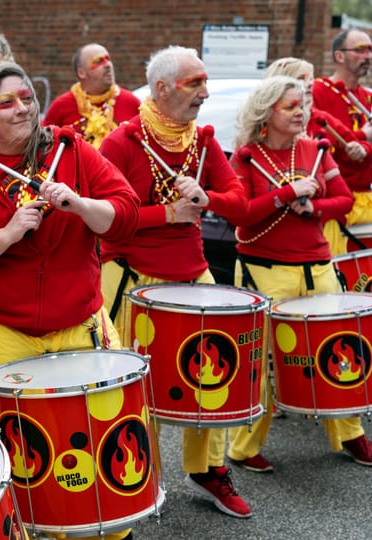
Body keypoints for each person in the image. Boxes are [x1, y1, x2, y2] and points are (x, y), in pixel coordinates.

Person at [98, 46, 252, 519]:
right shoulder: (121, 142)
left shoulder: (202, 141)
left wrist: (208, 196)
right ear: (162, 88)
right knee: (131, 388)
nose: (204, 93)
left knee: (211, 378)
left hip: (193, 277)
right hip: (130, 282)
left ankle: (209, 469)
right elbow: (102, 220)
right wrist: (168, 212)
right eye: (194, 84)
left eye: (205, 83)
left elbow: (239, 203)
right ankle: (136, 475)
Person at [226, 76, 372, 471]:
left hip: (318, 267)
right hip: (265, 271)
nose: (301, 112)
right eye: (291, 107)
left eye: (302, 105)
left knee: (337, 351)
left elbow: (344, 199)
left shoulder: (315, 149)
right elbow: (240, 214)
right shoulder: (245, 156)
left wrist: (314, 209)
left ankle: (350, 434)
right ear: (267, 112)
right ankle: (243, 448)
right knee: (262, 360)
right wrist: (287, 194)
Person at [0, 61, 138, 370]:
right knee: (2, 420)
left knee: (106, 415)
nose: (22, 109)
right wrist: (7, 235)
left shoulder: (70, 150)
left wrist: (82, 205)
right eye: (6, 103)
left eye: (27, 98)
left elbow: (126, 215)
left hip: (81, 322)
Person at [266, 56, 372, 256]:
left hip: (323, 226)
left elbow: (360, 154)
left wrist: (361, 152)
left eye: (311, 78)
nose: (309, 84)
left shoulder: (321, 120)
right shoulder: (263, 129)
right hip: (277, 232)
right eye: (301, 78)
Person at [313, 29, 372, 228]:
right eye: (360, 50)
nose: (367, 56)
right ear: (339, 55)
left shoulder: (370, 98)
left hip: (365, 198)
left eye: (370, 51)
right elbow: (316, 140)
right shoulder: (318, 90)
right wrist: (361, 136)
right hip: (331, 197)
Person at [42, 43, 141, 148]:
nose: (108, 65)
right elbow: (44, 146)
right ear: (81, 73)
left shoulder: (131, 102)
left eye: (108, 59)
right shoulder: (60, 107)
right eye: (99, 61)